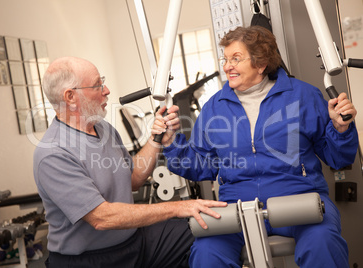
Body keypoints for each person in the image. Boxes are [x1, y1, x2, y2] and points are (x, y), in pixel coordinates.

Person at [154, 26, 358, 267]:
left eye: (236, 59)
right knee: (206, 253)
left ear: (261, 64)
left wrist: (340, 129)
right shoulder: (214, 107)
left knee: (322, 242)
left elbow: (338, 158)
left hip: (298, 199)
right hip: (236, 209)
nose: (227, 66)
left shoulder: (303, 96)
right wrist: (170, 143)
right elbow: (201, 167)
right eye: (225, 59)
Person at [33, 56, 227, 268]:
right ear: (70, 97)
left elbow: (133, 178)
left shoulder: (103, 128)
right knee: (188, 216)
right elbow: (102, 218)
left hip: (135, 242)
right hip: (88, 261)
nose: (106, 90)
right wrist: (179, 207)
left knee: (204, 230)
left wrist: (157, 138)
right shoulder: (53, 154)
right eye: (98, 85)